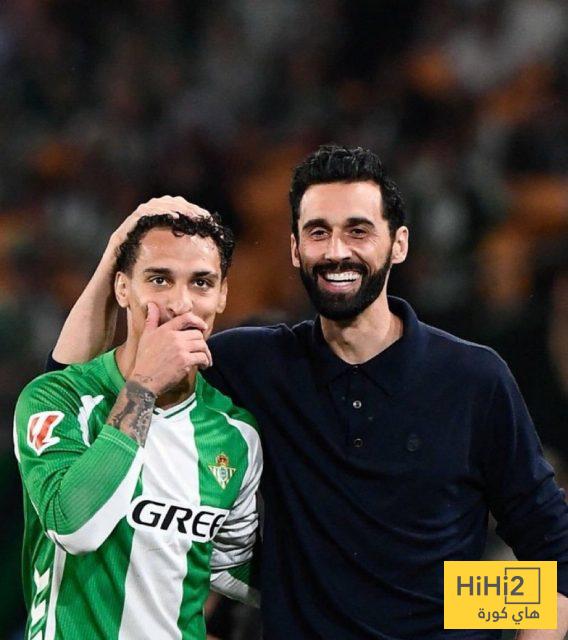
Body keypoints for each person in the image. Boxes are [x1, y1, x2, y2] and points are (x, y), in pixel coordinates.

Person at [48, 146, 568, 639]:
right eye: (318, 232)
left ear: (399, 243)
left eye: (358, 231)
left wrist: (462, 603)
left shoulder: (472, 378)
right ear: (295, 249)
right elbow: (69, 390)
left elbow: (551, 545)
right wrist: (116, 252)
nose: (336, 251)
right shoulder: (254, 365)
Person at [14, 213, 262, 640]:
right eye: (159, 280)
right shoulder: (59, 400)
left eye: (201, 283)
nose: (181, 303)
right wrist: (144, 385)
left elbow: (228, 568)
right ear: (122, 288)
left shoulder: (236, 435)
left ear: (222, 295)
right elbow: (74, 528)